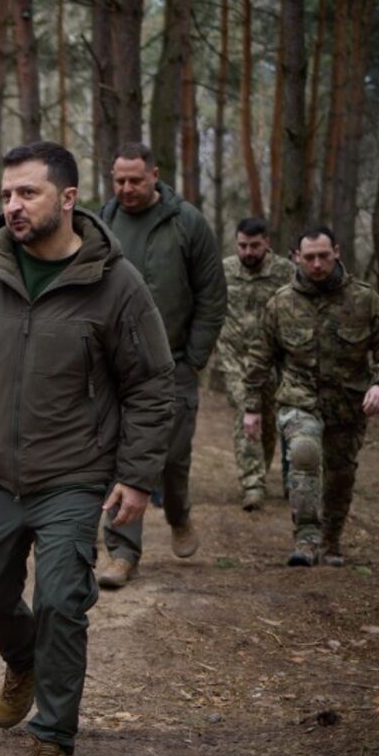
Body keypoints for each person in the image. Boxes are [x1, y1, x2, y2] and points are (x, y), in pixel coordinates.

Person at [0, 141, 174, 756]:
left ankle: (52, 740)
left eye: (28, 193)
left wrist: (137, 476)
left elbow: (150, 385)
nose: (13, 206)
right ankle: (23, 661)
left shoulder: (115, 283)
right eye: (6, 194)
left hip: (74, 477)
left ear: (68, 198)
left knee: (61, 600)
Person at [96, 142, 226, 588]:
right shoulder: (103, 223)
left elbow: (212, 296)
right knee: (119, 454)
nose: (126, 188)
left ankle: (178, 512)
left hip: (173, 366)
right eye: (119, 180)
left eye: (135, 179)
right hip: (116, 367)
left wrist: (194, 360)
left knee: (171, 457)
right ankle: (121, 551)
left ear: (155, 175)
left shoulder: (187, 223)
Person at [243, 225, 379, 567]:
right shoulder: (281, 303)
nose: (317, 264)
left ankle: (331, 540)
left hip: (348, 404)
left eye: (323, 256)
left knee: (340, 473)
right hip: (298, 398)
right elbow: (259, 357)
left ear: (337, 253)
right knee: (304, 453)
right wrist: (252, 408)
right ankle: (306, 537)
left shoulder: (364, 299)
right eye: (309, 257)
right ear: (296, 258)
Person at [218, 217, 296, 511]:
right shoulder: (224, 270)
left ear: (267, 243)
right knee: (246, 411)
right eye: (242, 246)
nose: (247, 252)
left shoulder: (285, 272)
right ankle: (253, 484)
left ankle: (263, 471)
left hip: (271, 360)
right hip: (234, 358)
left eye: (254, 246)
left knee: (268, 418)